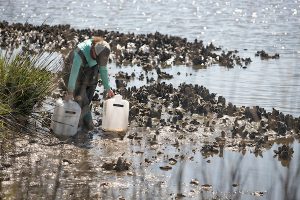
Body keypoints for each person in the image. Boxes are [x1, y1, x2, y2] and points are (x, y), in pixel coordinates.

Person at [61, 36, 114, 131]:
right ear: (93, 50)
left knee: (87, 99)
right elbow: (73, 75)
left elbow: (103, 69)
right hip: (72, 70)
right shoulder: (80, 54)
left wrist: (108, 88)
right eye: (96, 58)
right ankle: (90, 126)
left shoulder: (102, 50)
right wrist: (70, 92)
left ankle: (82, 118)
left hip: (88, 69)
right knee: (81, 98)